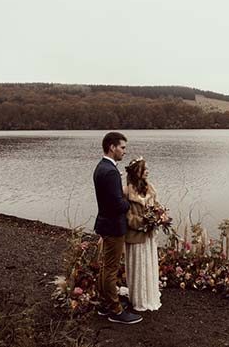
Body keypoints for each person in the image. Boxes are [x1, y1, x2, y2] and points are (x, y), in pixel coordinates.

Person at [93, 132, 142, 324]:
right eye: (122, 147)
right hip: (113, 225)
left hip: (105, 222)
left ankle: (105, 305)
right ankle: (115, 310)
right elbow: (117, 204)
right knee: (111, 268)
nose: (124, 151)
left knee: (106, 266)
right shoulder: (111, 171)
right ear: (112, 147)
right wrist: (130, 203)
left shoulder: (101, 167)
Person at [123, 157, 163, 311]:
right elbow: (127, 217)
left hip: (149, 236)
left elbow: (157, 206)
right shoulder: (126, 191)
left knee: (149, 264)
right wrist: (143, 222)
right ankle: (139, 298)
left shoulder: (150, 188)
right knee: (138, 266)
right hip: (135, 236)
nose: (147, 171)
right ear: (136, 171)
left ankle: (150, 294)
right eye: (144, 169)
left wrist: (160, 217)